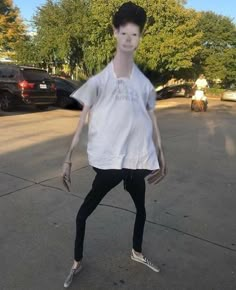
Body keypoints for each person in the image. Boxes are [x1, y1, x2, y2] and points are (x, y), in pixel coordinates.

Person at [62, 2, 167, 288]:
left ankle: (137, 251)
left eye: (135, 34)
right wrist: (68, 158)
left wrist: (161, 153)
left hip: (135, 164)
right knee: (83, 213)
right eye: (124, 33)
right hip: (110, 165)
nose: (129, 40)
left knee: (142, 210)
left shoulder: (143, 83)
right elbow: (81, 121)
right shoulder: (98, 82)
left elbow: (150, 118)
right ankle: (77, 262)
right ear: (115, 33)